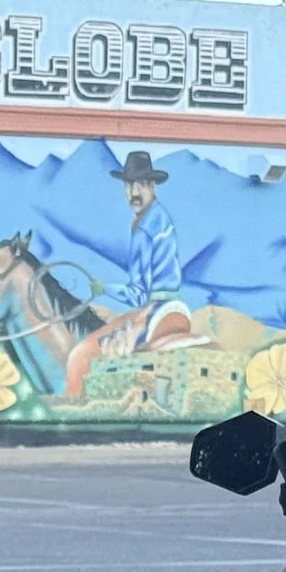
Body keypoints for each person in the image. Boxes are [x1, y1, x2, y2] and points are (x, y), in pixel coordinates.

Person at [67, 150, 194, 399]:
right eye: (129, 185)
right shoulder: (159, 217)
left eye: (142, 185)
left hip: (157, 309)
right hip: (171, 307)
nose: (134, 192)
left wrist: (104, 289)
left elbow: (137, 295)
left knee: (80, 356)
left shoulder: (146, 227)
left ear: (153, 186)